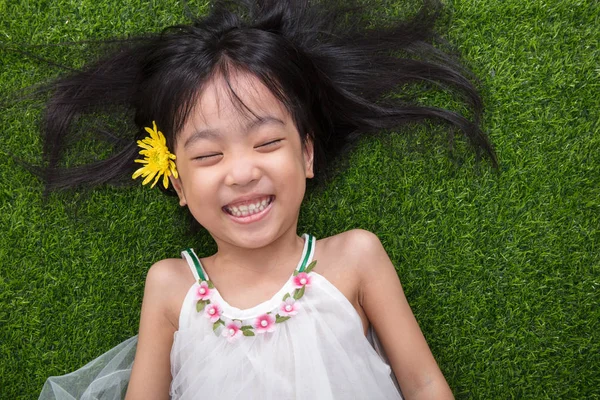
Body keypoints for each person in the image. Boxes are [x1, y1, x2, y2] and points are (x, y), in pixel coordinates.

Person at [36, 0, 496, 398]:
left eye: (267, 143)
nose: (241, 172)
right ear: (176, 182)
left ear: (307, 154)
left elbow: (423, 386)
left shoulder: (356, 257)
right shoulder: (170, 286)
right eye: (209, 154)